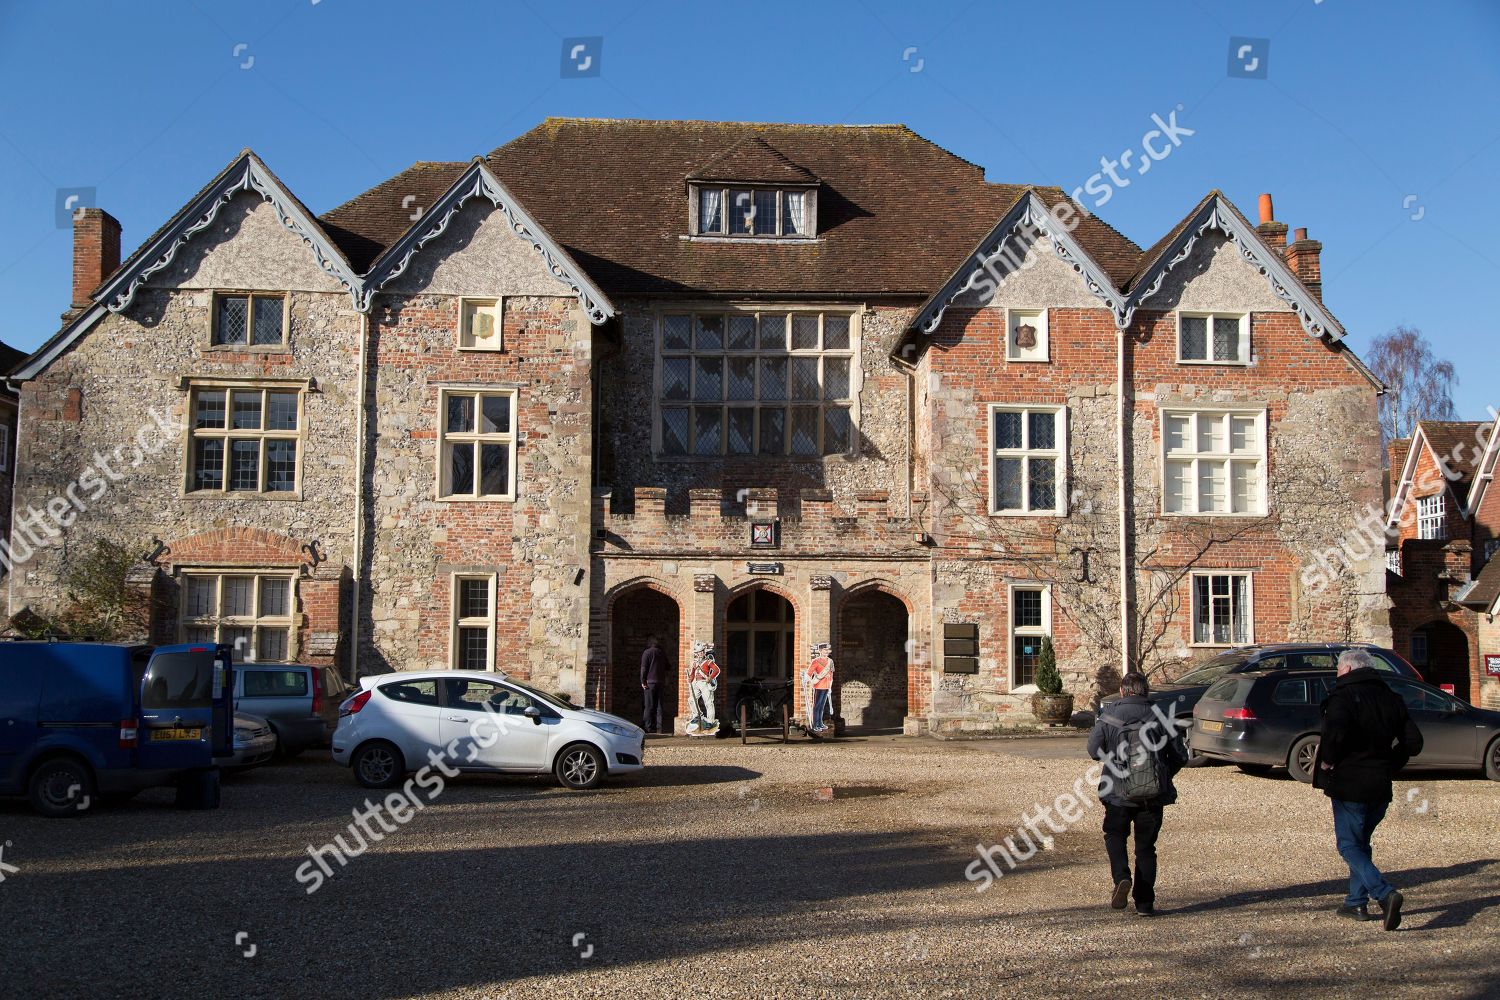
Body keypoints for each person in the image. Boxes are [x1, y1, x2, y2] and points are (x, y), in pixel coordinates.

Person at [1315, 648, 1423, 930]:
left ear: (1348, 669)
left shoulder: (1343, 697)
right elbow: (1413, 742)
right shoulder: (1391, 697)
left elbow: (1333, 738)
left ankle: (1384, 894)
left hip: (1350, 782)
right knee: (1361, 844)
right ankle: (1355, 903)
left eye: (1338, 669)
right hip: (1380, 782)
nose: (1337, 674)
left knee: (1349, 845)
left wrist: (1326, 763)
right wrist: (1389, 763)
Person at [1087, 672, 1188, 916]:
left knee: (1114, 836)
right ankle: (1144, 903)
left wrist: (1113, 762)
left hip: (1116, 793)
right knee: (1145, 848)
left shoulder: (1109, 715)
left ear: (1122, 692)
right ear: (1146, 691)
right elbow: (1180, 756)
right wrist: (1162, 774)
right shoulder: (1162, 716)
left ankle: (1122, 877)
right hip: (1152, 795)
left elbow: (1093, 750)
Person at [638, 635, 669, 735]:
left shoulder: (646, 653)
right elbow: (668, 666)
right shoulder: (662, 653)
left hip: (649, 682)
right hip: (660, 681)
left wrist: (643, 681)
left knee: (648, 705)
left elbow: (643, 669)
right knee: (659, 705)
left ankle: (648, 727)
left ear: (649, 644)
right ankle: (660, 728)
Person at [804, 643, 835, 734]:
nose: (827, 652)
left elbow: (831, 675)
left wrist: (830, 686)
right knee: (817, 706)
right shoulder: (816, 661)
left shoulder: (830, 661)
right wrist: (809, 679)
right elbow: (809, 673)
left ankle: (820, 723)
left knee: (821, 706)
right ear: (820, 651)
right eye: (825, 650)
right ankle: (815, 724)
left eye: (828, 650)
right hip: (819, 686)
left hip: (826, 686)